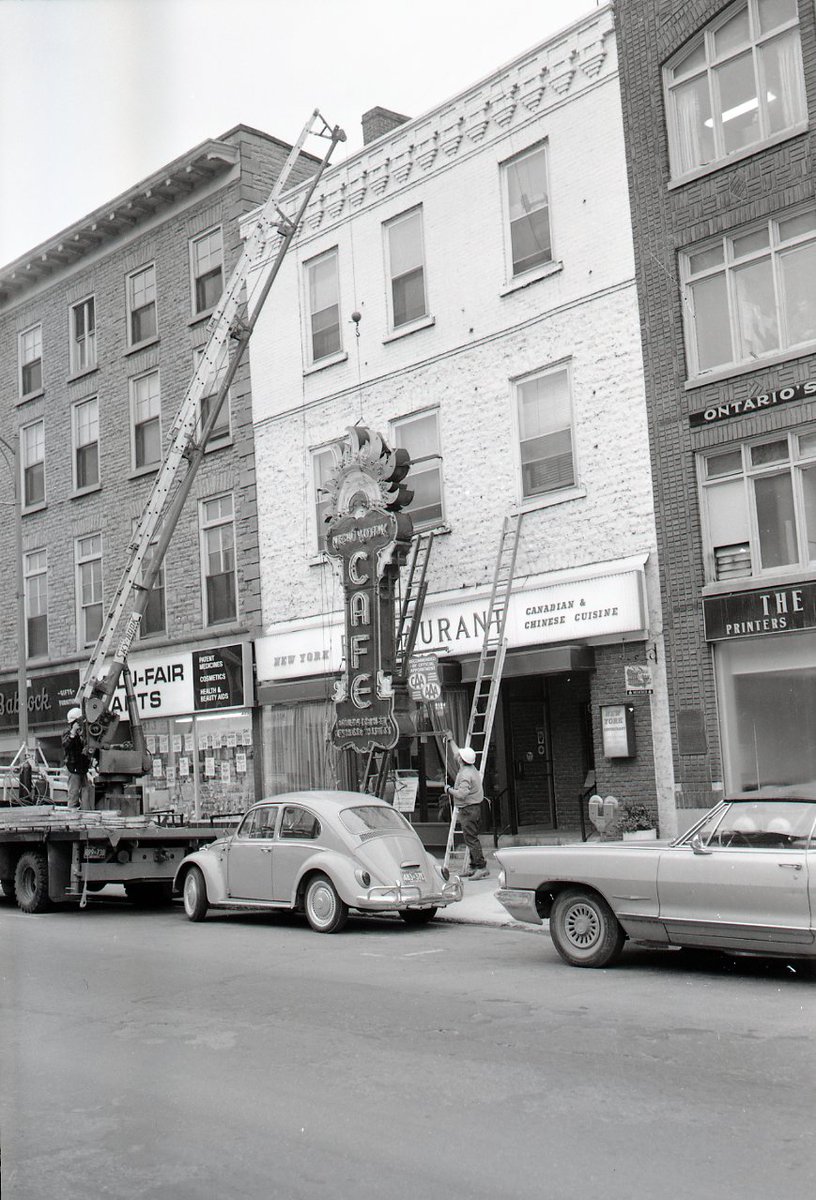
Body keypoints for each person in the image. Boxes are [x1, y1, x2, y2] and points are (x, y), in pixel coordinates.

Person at [445, 741, 489, 879]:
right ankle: (474, 866)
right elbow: (457, 752)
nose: (457, 756)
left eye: (459, 756)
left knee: (471, 839)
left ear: (461, 760)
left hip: (468, 809)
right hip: (473, 808)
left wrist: (448, 790)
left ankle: (481, 867)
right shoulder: (472, 769)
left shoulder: (465, 775)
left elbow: (462, 794)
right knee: (470, 838)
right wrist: (451, 740)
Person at [62, 707, 93, 810]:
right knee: (73, 794)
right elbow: (66, 745)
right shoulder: (67, 733)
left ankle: (85, 814)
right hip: (73, 768)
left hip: (83, 768)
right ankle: (71, 817)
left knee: (86, 794)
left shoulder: (84, 733)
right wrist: (73, 732)